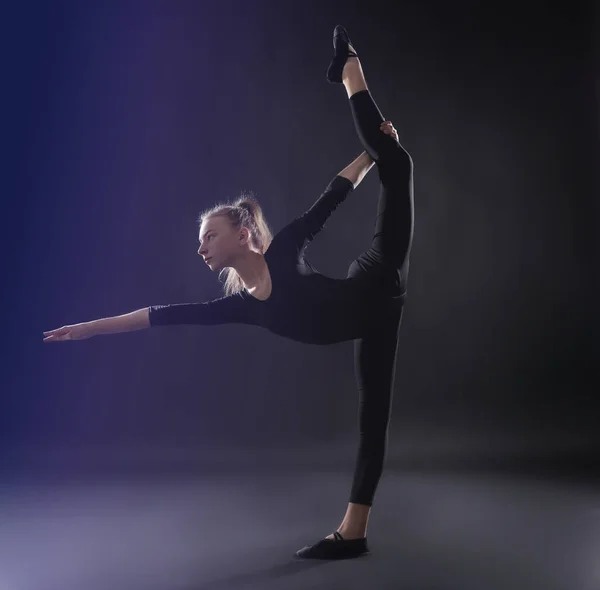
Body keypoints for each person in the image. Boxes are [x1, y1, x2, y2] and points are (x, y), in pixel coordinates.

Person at [43, 25, 414, 560]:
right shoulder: (241, 308)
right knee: (372, 419)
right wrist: (90, 328)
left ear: (242, 236)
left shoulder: (283, 250)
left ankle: (349, 64)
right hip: (374, 321)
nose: (201, 249)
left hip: (378, 277)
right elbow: (161, 315)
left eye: (208, 237)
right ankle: (352, 535)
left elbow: (331, 197)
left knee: (396, 161)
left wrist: (372, 155)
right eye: (200, 242)